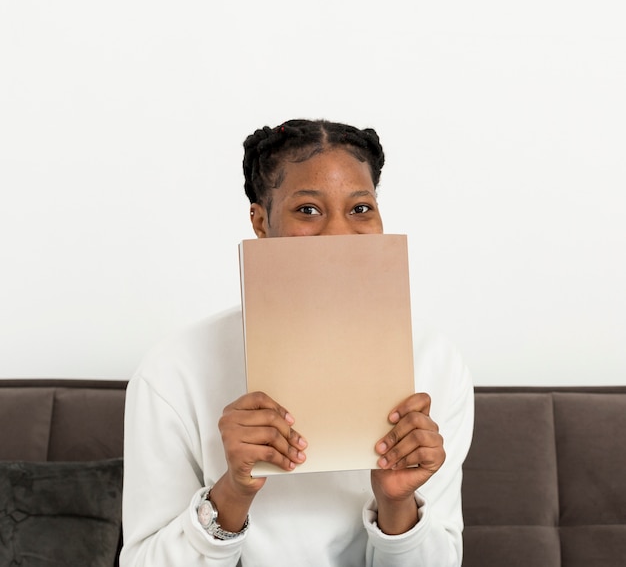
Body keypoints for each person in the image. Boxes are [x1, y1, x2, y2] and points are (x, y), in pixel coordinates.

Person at [120, 119, 474, 566]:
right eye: (308, 209)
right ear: (261, 222)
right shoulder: (174, 370)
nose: (340, 235)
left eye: (360, 209)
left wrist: (397, 503)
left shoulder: (434, 361)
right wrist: (233, 490)